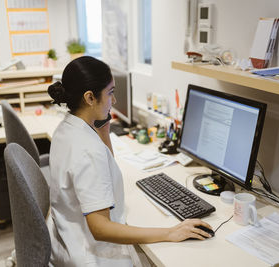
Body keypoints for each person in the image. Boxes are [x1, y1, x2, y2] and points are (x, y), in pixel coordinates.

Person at [47, 56, 212, 266]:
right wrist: (170, 232)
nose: (113, 101)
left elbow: (103, 169)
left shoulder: (67, 128)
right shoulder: (88, 149)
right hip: (92, 256)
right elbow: (100, 229)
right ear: (89, 98)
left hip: (68, 241)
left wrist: (104, 131)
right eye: (110, 93)